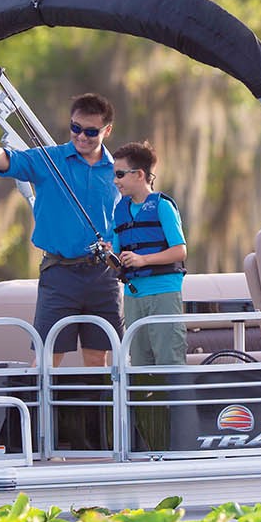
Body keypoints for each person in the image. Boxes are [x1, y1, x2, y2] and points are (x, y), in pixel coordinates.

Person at [0, 93, 122, 367]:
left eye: (91, 131)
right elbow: (7, 159)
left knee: (97, 358)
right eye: (76, 128)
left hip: (103, 275)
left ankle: (98, 399)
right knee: (47, 357)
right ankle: (39, 399)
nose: (81, 136)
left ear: (107, 131)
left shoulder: (118, 170)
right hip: (59, 273)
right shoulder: (49, 158)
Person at [110, 141, 188, 369]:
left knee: (169, 361)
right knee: (139, 365)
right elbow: (117, 257)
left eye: (120, 174)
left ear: (139, 174)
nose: (115, 181)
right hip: (133, 296)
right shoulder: (119, 210)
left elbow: (180, 251)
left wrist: (143, 260)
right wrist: (108, 254)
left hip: (163, 293)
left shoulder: (163, 206)